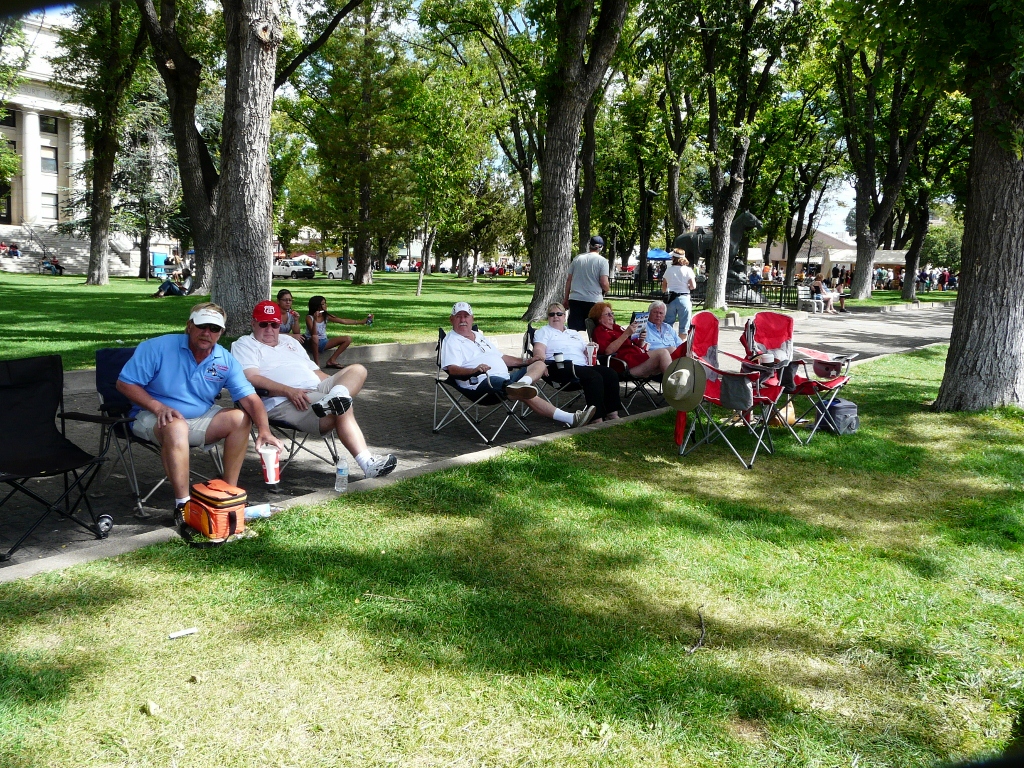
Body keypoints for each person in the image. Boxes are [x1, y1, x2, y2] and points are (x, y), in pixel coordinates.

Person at [116, 303, 283, 519]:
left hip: (200, 417)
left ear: (221, 332)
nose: (207, 333)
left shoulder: (224, 359)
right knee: (176, 426)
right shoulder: (157, 347)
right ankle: (184, 506)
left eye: (214, 328)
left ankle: (227, 495)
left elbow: (250, 398)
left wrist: (265, 429)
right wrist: (158, 407)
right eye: (202, 326)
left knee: (240, 418)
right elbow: (125, 383)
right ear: (189, 325)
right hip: (152, 415)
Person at [231, 301, 398, 480]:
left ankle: (336, 396)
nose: (269, 329)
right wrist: (288, 391)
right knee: (343, 407)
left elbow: (315, 372)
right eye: (264, 324)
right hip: (284, 399)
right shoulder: (244, 344)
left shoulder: (289, 341)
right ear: (253, 323)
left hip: (316, 388)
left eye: (274, 324)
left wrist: (336, 383)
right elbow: (252, 378)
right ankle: (368, 463)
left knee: (357, 370)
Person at [442, 302, 595, 429]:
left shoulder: (478, 336)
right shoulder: (451, 341)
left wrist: (526, 362)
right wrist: (474, 370)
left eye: (466, 316)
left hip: (505, 379)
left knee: (539, 364)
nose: (463, 320)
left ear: (472, 318)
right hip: (482, 382)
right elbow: (452, 369)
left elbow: (501, 357)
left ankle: (521, 384)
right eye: (458, 316)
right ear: (451, 319)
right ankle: (571, 418)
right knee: (522, 393)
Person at [532, 302, 622, 424]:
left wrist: (591, 347)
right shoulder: (544, 331)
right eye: (551, 314)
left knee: (610, 373)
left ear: (565, 316)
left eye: (559, 314)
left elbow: (585, 350)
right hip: (559, 367)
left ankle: (612, 413)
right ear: (548, 317)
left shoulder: (573, 333)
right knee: (593, 377)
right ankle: (596, 419)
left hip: (582, 366)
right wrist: (540, 362)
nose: (555, 317)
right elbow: (538, 349)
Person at [589, 301, 673, 377]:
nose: (611, 316)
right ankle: (672, 385)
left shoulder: (616, 327)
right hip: (625, 364)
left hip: (637, 357)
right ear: (599, 318)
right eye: (607, 314)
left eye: (612, 313)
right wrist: (626, 334)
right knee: (663, 353)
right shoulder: (600, 331)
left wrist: (641, 339)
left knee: (672, 349)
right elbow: (608, 351)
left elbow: (637, 344)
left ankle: (676, 381)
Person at [304, 295, 372, 369]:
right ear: (317, 306)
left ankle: (331, 360)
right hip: (311, 343)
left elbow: (343, 321)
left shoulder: (326, 316)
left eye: (325, 303)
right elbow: (313, 334)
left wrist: (361, 322)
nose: (326, 305)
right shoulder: (309, 318)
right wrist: (315, 320)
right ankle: (317, 364)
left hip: (323, 342)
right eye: (323, 304)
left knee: (347, 339)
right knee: (315, 338)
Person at [563, 235, 610, 331]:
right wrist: (607, 290)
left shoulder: (577, 259)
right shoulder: (602, 261)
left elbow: (569, 280)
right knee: (594, 331)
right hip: (594, 300)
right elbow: (604, 282)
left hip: (575, 299)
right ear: (601, 247)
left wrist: (566, 298)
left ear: (589, 245)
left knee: (574, 331)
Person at [661, 251, 697, 332]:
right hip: (684, 297)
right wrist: (687, 286)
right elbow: (693, 286)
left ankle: (668, 339)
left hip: (670, 298)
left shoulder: (669, 270)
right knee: (684, 327)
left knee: (667, 324)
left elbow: (664, 287)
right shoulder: (688, 270)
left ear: (674, 258)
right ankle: (682, 339)